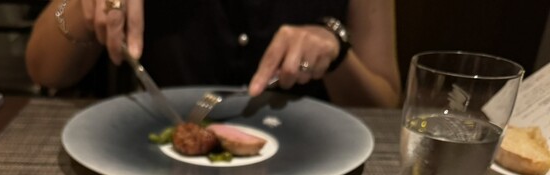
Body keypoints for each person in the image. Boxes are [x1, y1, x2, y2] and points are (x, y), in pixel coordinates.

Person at [26, 0, 401, 107]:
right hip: (151, 172)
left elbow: (385, 98)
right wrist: (81, 8)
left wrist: (336, 49)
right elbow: (44, 69)